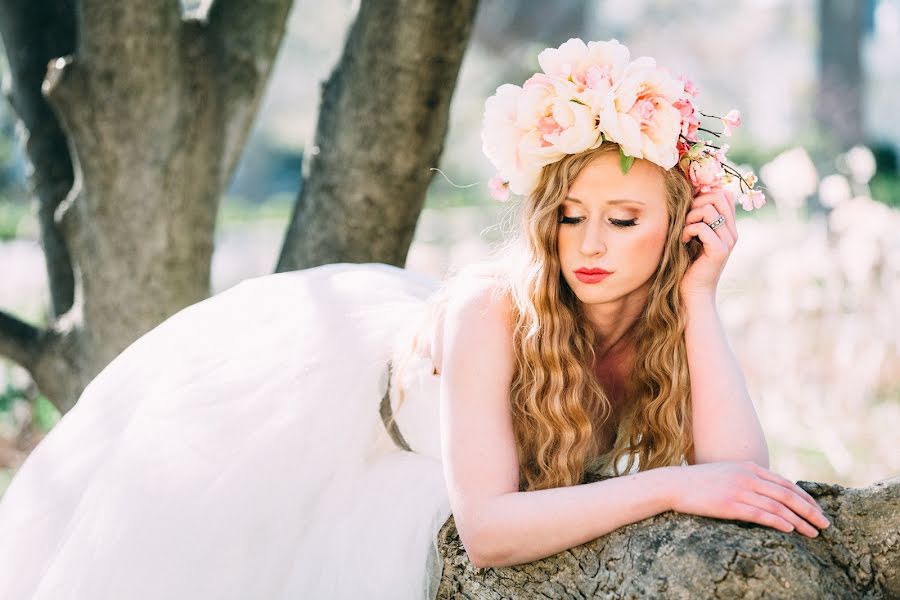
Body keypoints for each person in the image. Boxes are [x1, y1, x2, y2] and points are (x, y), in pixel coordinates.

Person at [0, 38, 830, 599]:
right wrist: (673, 485)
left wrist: (698, 294)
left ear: (676, 224)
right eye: (571, 214)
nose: (590, 245)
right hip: (320, 439)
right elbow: (489, 529)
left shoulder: (668, 313)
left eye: (624, 220)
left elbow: (743, 477)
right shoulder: (493, 313)